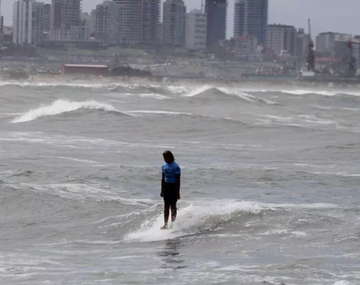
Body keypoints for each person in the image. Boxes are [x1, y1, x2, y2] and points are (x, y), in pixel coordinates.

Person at [160, 150, 181, 230]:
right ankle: (165, 224)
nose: (164, 159)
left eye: (165, 157)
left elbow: (178, 181)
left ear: (170, 157)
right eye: (164, 157)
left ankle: (173, 224)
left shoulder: (176, 167)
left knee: (173, 206)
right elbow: (162, 179)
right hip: (166, 187)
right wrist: (162, 190)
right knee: (166, 206)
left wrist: (177, 192)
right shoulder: (163, 166)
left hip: (173, 187)